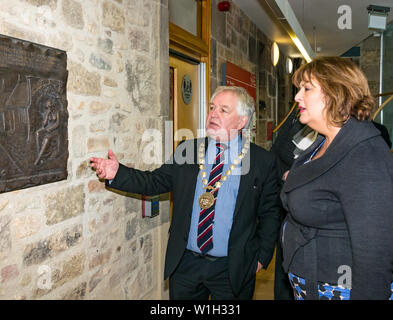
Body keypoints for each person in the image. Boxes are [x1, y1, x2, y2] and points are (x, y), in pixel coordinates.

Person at [90, 86, 281, 300]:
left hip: (233, 268)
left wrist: (261, 258)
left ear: (242, 121)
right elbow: (155, 181)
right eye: (211, 107)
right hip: (186, 265)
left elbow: (270, 213)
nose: (213, 114)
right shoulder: (187, 150)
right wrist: (118, 173)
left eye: (224, 110)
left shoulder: (262, 162)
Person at [280, 56, 393, 300]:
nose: (297, 97)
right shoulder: (324, 141)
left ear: (336, 94)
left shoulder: (365, 154)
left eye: (307, 89)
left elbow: (375, 254)